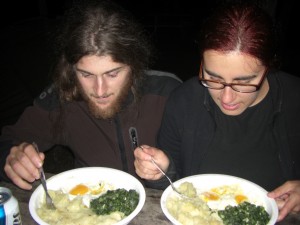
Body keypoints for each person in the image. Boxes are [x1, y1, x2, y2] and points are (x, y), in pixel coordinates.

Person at [134, 2, 300, 222]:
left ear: (269, 66)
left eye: (244, 82)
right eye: (213, 78)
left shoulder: (295, 98)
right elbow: (175, 188)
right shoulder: (183, 100)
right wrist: (161, 170)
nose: (227, 98)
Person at [0, 0, 181, 190]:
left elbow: (197, 164)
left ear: (134, 65)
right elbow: (9, 141)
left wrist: (166, 172)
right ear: (71, 70)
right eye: (86, 74)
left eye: (112, 74)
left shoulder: (168, 92)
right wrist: (12, 157)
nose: (100, 91)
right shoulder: (63, 97)